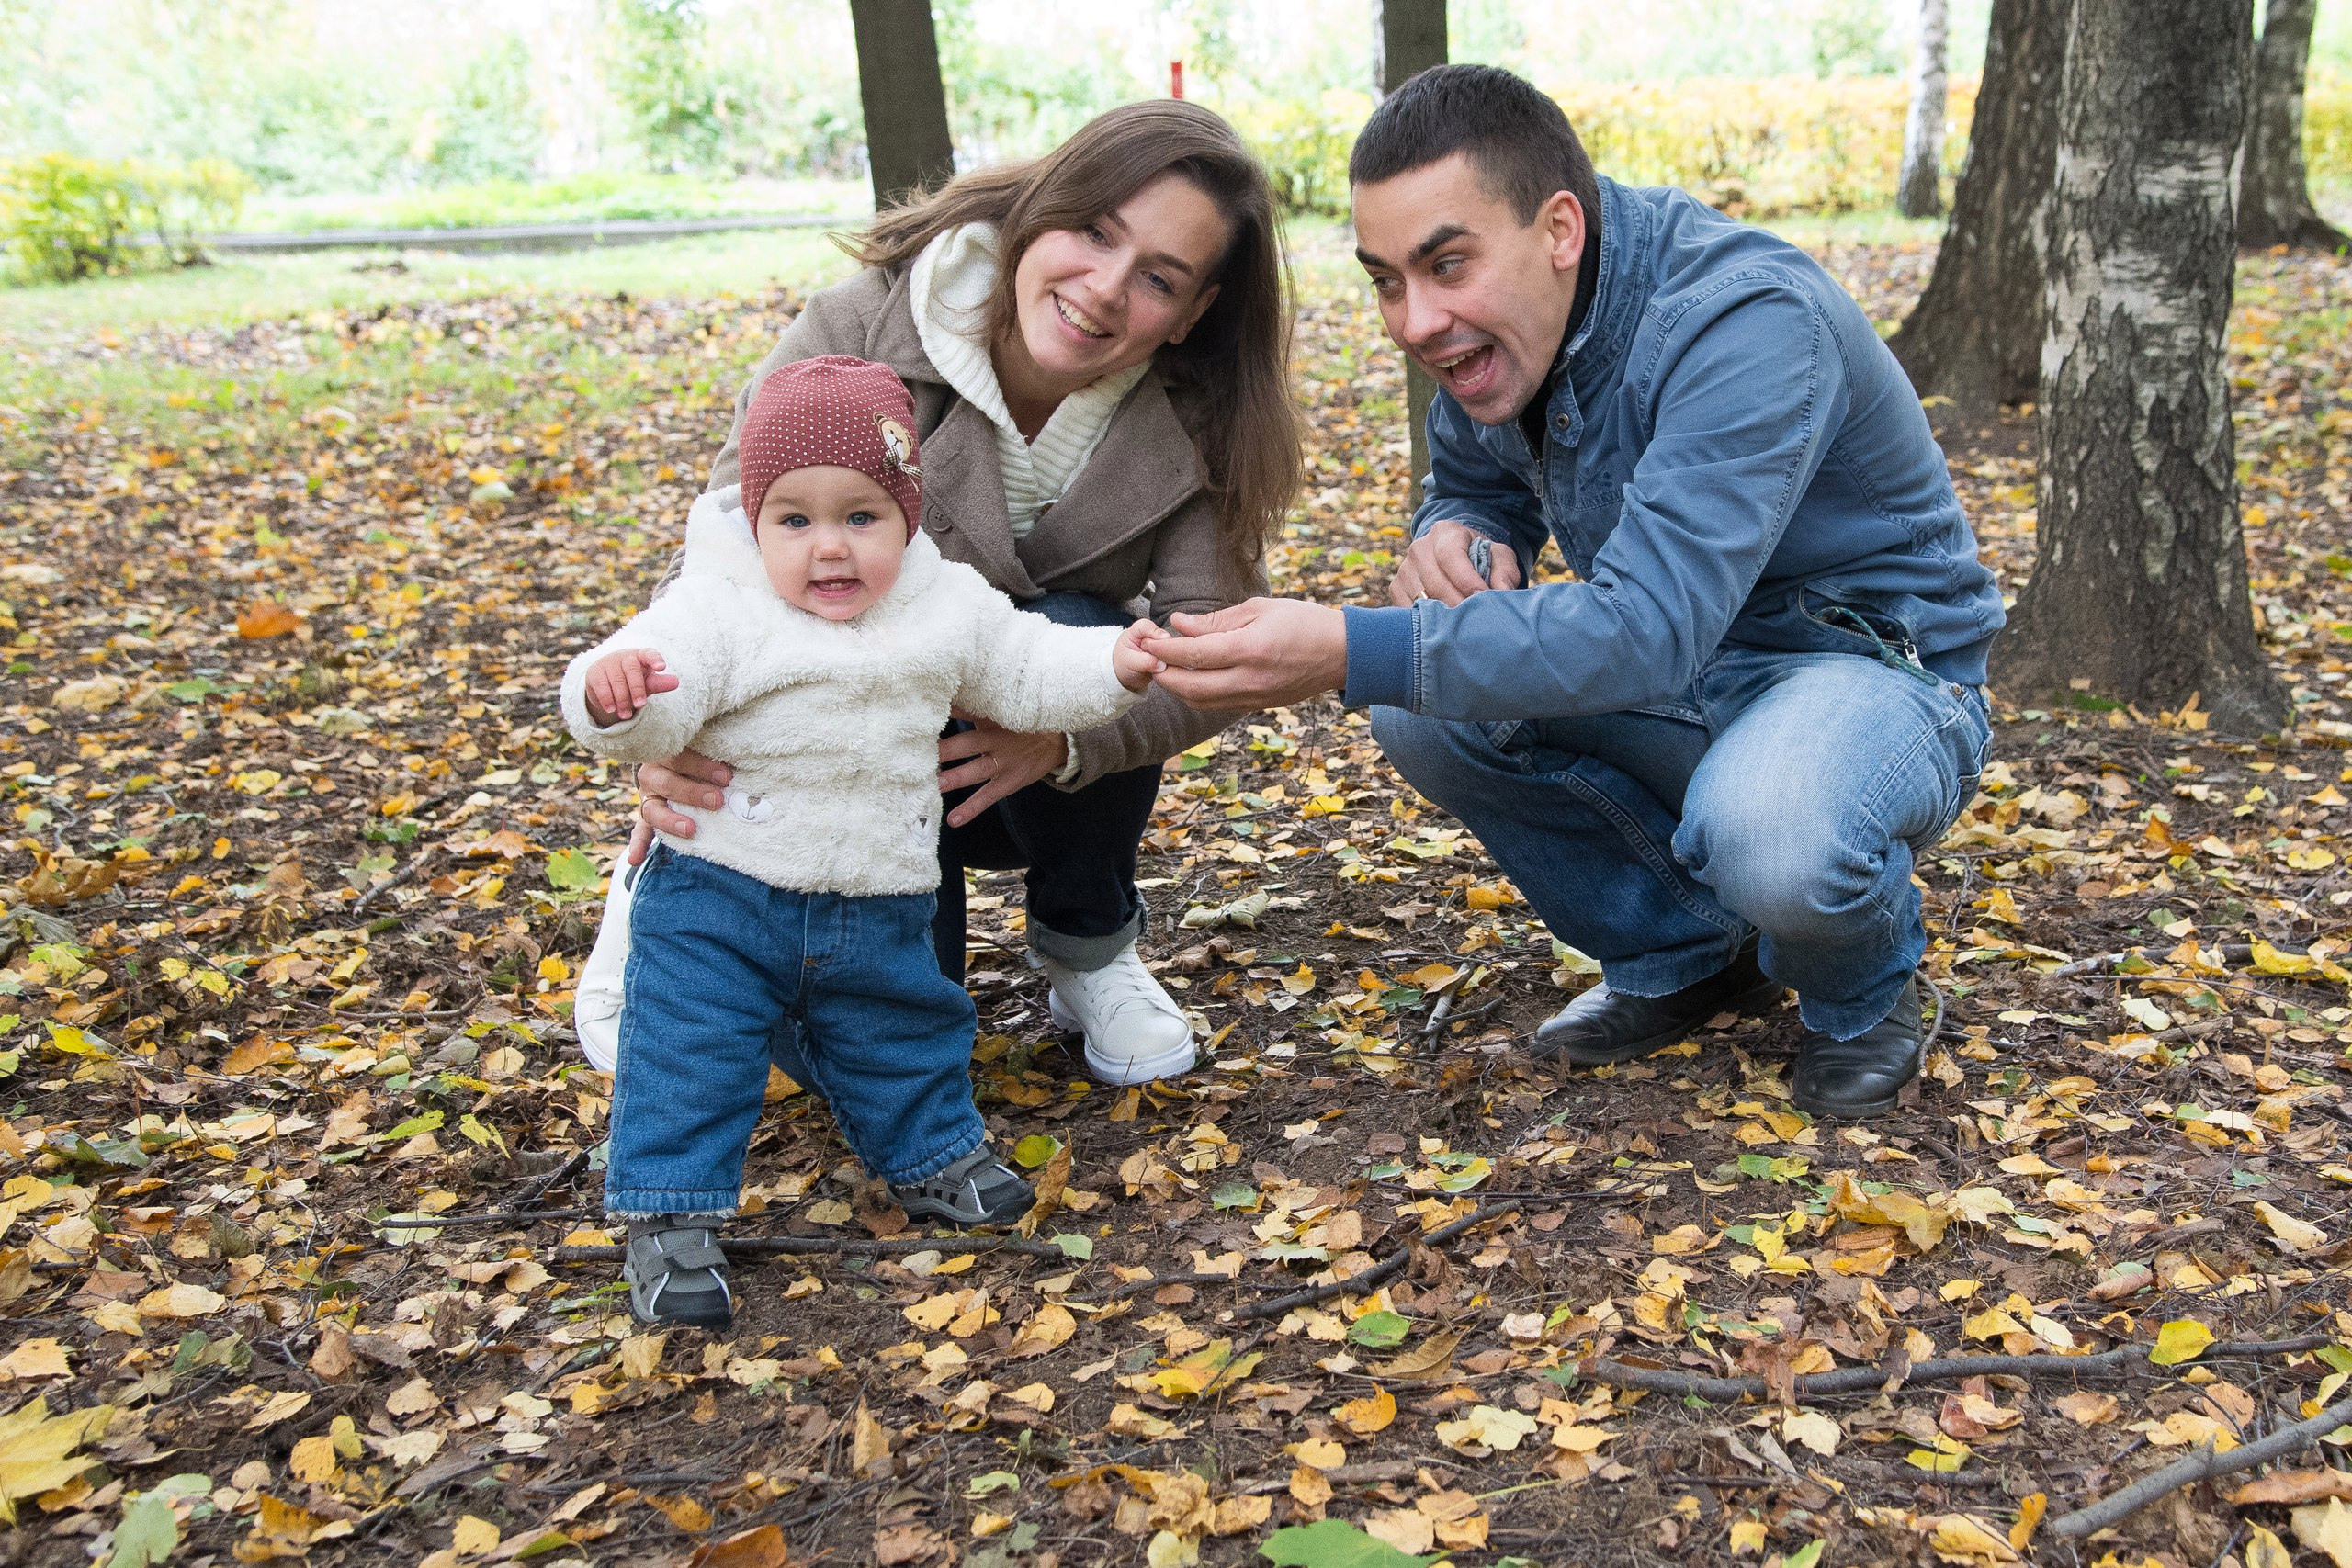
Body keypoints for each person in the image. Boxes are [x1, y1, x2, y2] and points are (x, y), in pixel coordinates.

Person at [1145, 65, 2002, 1121]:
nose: (1415, 321)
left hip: (1866, 676)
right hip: (1688, 675)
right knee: (1426, 710)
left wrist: (1347, 647)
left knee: (1771, 827)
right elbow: (1470, 482)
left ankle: (1863, 995)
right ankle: (1685, 954)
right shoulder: (1505, 327)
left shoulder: (1743, 321)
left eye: (1445, 263)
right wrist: (1457, 535)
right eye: (1384, 280)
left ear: (1558, 229)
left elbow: (1644, 627)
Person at [574, 100, 1303, 1089]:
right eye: (1094, 233)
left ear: (1195, 311)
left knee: (1094, 640)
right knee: (882, 1051)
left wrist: (1067, 738)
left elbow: (1214, 656)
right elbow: (724, 556)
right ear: (1043, 208)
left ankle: (1086, 945)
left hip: (1018, 765)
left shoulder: (1201, 421)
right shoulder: (859, 326)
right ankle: (668, 893)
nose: (1104, 289)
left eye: (1158, 278)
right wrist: (679, 742)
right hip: (828, 745)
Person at [562, 356, 1163, 1326]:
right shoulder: (722, 607)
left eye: (860, 516)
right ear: (755, 522)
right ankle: (670, 1216)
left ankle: (934, 1156)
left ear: (908, 515)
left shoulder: (945, 604)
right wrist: (611, 694)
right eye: (793, 520)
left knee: (904, 1028)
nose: (827, 548)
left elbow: (1023, 666)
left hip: (880, 892)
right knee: (692, 1052)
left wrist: (1113, 664)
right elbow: (654, 692)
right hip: (723, 893)